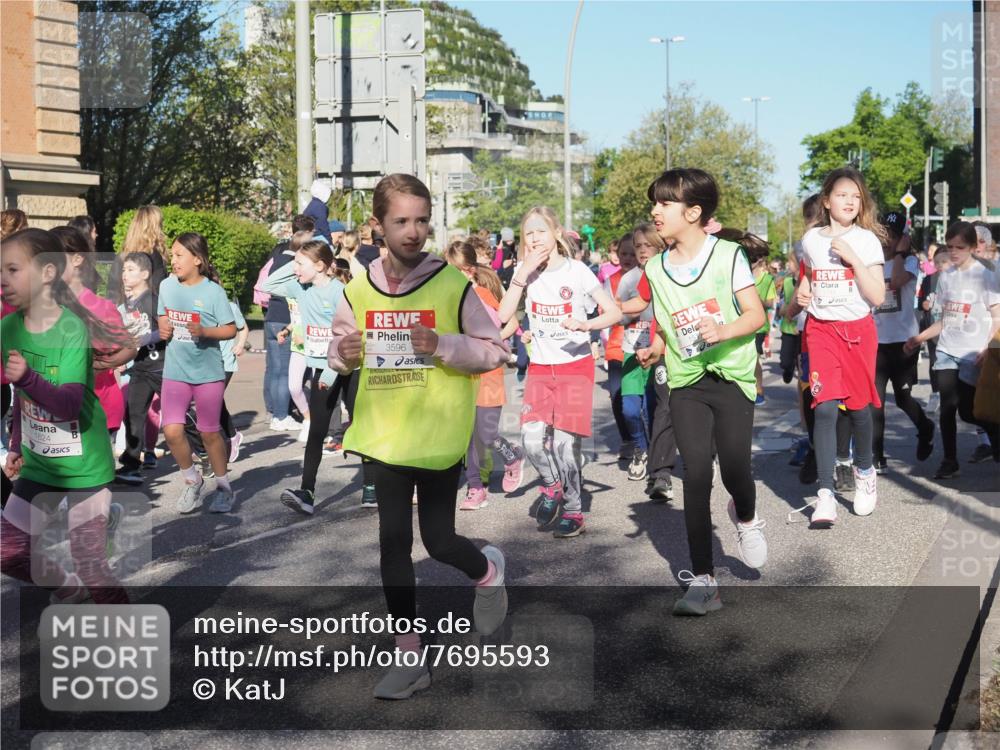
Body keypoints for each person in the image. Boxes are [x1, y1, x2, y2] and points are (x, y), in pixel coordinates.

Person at [328, 174, 509, 699]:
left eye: (422, 220)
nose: (413, 231)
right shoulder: (357, 289)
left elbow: (494, 350)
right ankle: (410, 657)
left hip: (437, 435)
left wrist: (444, 344)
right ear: (378, 226)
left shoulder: (453, 286)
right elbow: (337, 348)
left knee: (440, 541)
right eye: (401, 221)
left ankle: (487, 572)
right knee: (392, 544)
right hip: (384, 435)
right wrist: (345, 353)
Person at [632, 169, 766, 616]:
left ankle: (745, 516)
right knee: (695, 474)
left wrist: (722, 330)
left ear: (693, 212)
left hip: (731, 375)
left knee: (733, 470)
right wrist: (655, 347)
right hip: (686, 380)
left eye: (665, 203)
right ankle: (705, 581)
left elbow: (756, 316)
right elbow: (667, 323)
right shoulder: (654, 267)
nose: (656, 210)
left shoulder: (728, 255)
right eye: (655, 202)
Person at [1, 228, 129, 604]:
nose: (3, 279)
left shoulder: (71, 329)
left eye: (12, 269)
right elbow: (23, 396)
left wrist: (27, 376)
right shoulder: (8, 328)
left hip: (85, 467)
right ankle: (67, 588)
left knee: (90, 561)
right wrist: (14, 443)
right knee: (7, 552)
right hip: (41, 466)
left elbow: (69, 404)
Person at [497, 207, 622, 539]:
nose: (535, 238)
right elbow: (503, 314)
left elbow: (613, 312)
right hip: (540, 368)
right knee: (532, 441)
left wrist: (586, 324)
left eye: (541, 231)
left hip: (574, 367)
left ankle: (573, 510)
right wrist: (521, 274)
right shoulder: (526, 273)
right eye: (529, 233)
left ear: (555, 233)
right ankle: (552, 486)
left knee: (566, 445)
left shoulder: (578, 271)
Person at [794, 167, 886, 526]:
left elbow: (877, 295)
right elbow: (808, 275)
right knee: (826, 407)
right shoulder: (811, 239)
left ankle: (864, 471)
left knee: (860, 408)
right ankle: (826, 494)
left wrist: (853, 258)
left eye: (856, 196)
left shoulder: (866, 241)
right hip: (821, 330)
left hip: (859, 330)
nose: (849, 201)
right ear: (827, 200)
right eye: (843, 194)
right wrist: (803, 288)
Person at [905, 221, 1000, 477]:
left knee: (970, 411)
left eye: (960, 247)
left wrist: (990, 348)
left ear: (972, 247)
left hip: (974, 352)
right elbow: (946, 317)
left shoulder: (987, 272)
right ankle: (949, 461)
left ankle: (995, 437)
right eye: (950, 247)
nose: (954, 252)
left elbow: (997, 315)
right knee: (947, 406)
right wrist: (920, 337)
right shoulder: (946, 275)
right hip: (947, 348)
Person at [157, 233, 237, 514]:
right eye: (172, 254)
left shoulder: (213, 292)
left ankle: (225, 488)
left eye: (179, 255)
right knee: (172, 431)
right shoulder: (167, 285)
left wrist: (205, 332)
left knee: (209, 433)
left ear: (197, 260)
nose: (173, 259)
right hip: (175, 371)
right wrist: (163, 326)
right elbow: (162, 316)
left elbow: (230, 329)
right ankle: (192, 481)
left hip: (207, 373)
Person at [442, 240, 525, 510]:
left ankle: (512, 456)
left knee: (486, 435)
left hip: (487, 373)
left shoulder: (483, 295)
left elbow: (511, 323)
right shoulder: (448, 299)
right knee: (468, 436)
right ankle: (475, 489)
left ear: (468, 271)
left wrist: (489, 343)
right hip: (462, 375)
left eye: (453, 271)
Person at [265, 240, 345, 515]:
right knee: (316, 432)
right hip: (320, 368)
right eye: (295, 264)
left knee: (359, 424)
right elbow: (268, 284)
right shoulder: (300, 289)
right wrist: (297, 263)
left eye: (301, 263)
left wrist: (333, 371)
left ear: (321, 265)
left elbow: (350, 335)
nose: (295, 268)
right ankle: (307, 493)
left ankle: (370, 485)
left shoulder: (340, 293)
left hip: (348, 367)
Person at [52, 226, 136, 439]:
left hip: (98, 408)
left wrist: (96, 366)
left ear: (78, 259)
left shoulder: (100, 307)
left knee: (93, 472)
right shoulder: (44, 305)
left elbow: (129, 348)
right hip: (54, 409)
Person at [870, 211, 934, 473]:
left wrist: (899, 253)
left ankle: (925, 427)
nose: (886, 241)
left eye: (892, 236)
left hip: (904, 341)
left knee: (903, 398)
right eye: (882, 235)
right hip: (877, 343)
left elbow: (895, 283)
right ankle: (876, 456)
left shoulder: (909, 262)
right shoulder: (871, 263)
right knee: (875, 400)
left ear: (901, 239)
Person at [115, 252, 166, 484]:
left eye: (131, 270)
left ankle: (204, 448)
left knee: (182, 413)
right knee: (132, 413)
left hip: (162, 366)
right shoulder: (127, 304)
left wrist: (144, 339)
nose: (125, 274)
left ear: (145, 274)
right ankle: (131, 465)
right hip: (140, 368)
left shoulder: (153, 300)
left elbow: (168, 330)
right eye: (124, 270)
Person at [260, 215, 314, 431]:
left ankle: (274, 411)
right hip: (287, 319)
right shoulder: (295, 265)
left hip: (271, 316)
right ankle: (282, 416)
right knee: (285, 371)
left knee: (274, 369)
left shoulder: (277, 258)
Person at [615, 233, 657, 482]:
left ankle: (657, 453)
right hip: (632, 347)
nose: (642, 251)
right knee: (630, 409)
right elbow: (619, 315)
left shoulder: (666, 272)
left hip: (658, 349)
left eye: (648, 245)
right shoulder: (629, 279)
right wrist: (627, 313)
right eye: (638, 246)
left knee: (653, 408)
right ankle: (640, 448)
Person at [107, 205, 168, 304]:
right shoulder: (154, 256)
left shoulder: (122, 257)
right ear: (155, 228)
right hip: (146, 315)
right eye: (160, 224)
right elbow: (159, 292)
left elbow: (112, 292)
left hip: (123, 314)